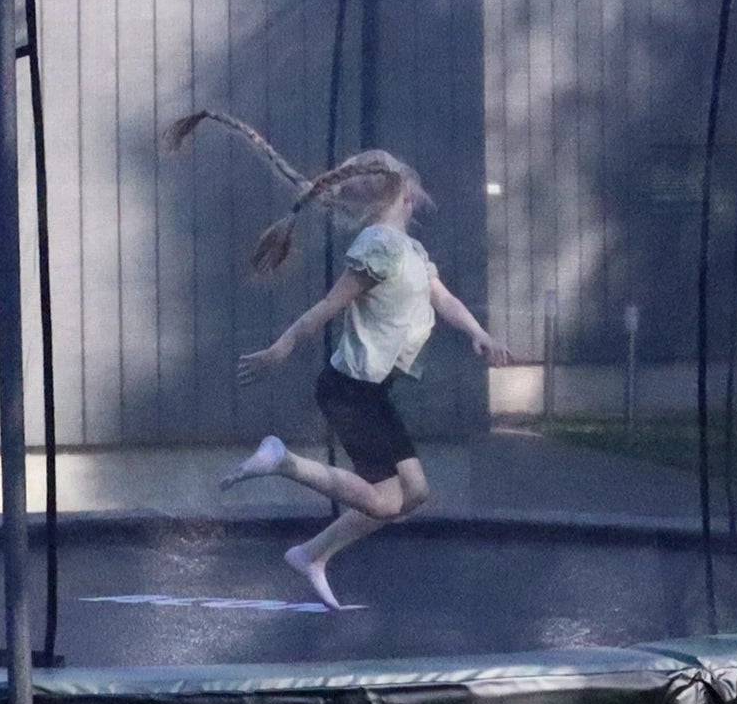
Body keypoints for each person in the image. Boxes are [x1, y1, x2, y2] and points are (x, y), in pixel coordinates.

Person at [164, 111, 513, 608]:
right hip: (349, 391)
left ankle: (311, 554)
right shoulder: (378, 248)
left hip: (373, 391)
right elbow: (328, 305)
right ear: (405, 193)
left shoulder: (409, 249)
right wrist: (283, 346)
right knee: (384, 500)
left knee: (414, 494)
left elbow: (444, 298)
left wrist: (478, 332)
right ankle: (282, 461)